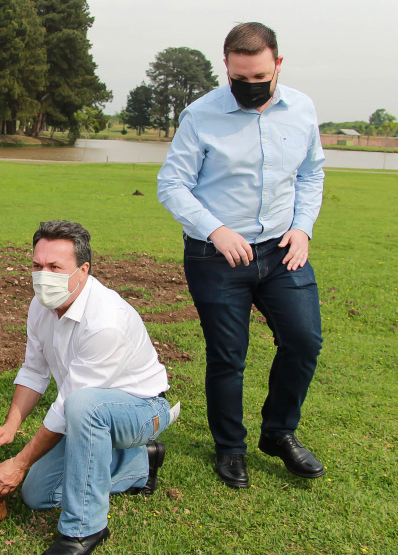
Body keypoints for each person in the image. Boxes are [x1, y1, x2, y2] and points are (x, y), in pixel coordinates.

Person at [157, 22, 326, 489]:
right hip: (217, 256)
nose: (249, 87)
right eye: (239, 79)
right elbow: (171, 185)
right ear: (226, 67)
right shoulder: (200, 115)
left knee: (303, 340)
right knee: (229, 356)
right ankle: (230, 448)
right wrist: (217, 230)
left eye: (259, 77)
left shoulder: (303, 110)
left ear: (278, 64)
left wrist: (303, 229)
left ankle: (279, 433)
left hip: (281, 249)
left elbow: (311, 175)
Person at [0, 220, 177, 555]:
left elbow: (71, 402)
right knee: (36, 494)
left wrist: (20, 462)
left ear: (83, 270)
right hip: (88, 411)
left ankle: (83, 530)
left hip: (143, 410)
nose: (43, 276)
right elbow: (34, 370)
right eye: (37, 266)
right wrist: (11, 425)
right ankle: (137, 465)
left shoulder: (105, 321)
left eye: (55, 267)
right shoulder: (40, 306)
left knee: (82, 407)